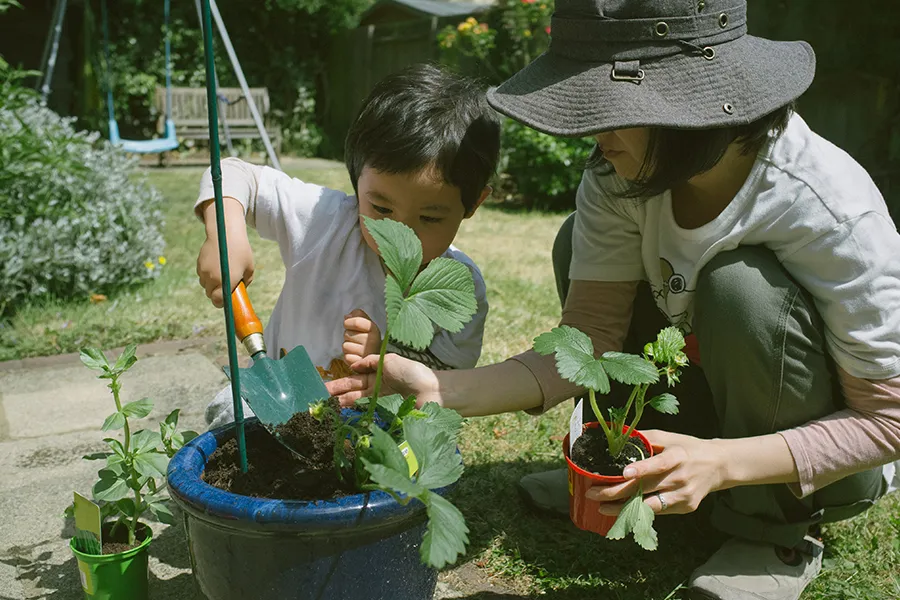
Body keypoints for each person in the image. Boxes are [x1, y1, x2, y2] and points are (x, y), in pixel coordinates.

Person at [326, 2, 900, 599]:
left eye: (612, 110)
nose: (593, 133)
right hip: (701, 407)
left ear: (690, 107)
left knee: (742, 288)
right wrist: (440, 390)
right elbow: (590, 342)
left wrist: (724, 462)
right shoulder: (617, 176)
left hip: (817, 462)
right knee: (574, 242)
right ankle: (626, 464)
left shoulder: (827, 207)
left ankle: (770, 530)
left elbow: (889, 418)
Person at [195, 63, 500, 429]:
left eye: (430, 218)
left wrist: (385, 353)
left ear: (473, 204)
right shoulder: (326, 221)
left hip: (373, 425)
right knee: (229, 410)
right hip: (279, 401)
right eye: (381, 208)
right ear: (357, 181)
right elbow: (234, 173)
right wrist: (224, 233)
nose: (398, 233)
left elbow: (445, 388)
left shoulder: (458, 290)